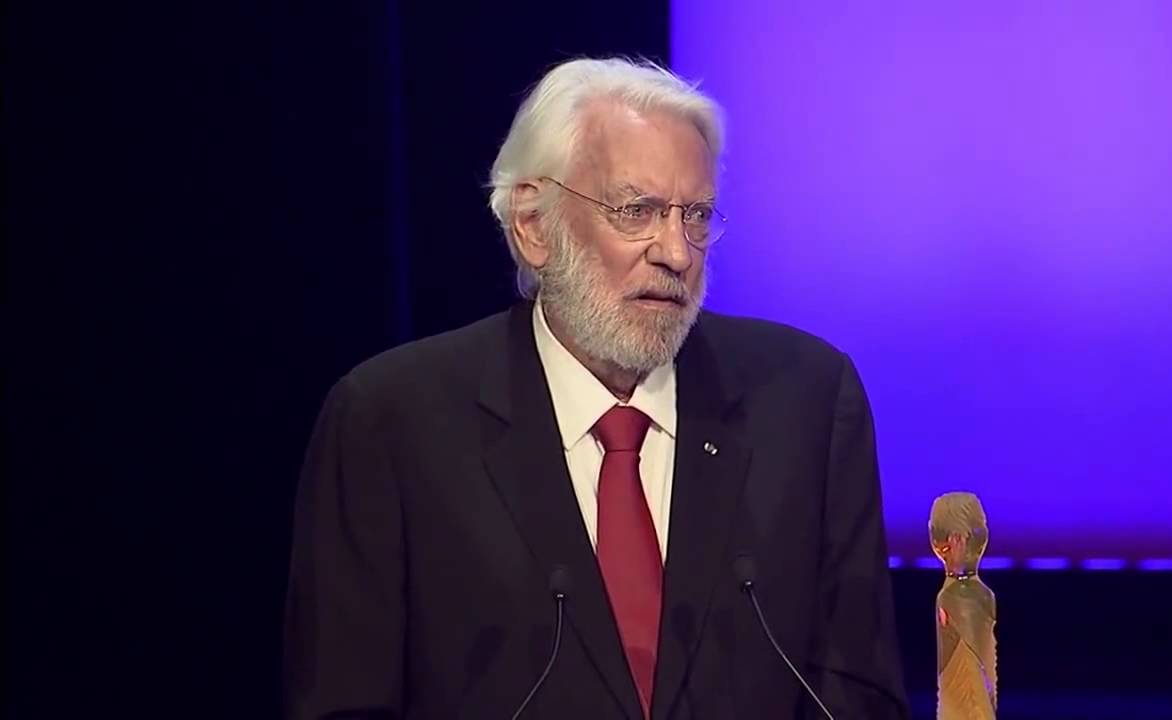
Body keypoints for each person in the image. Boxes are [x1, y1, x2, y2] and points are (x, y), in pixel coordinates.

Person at [282, 56, 908, 719]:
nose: (676, 251)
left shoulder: (805, 402)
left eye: (695, 215)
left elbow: (857, 692)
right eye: (637, 210)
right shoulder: (393, 422)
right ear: (533, 226)